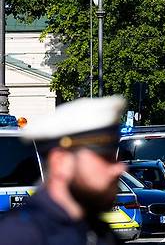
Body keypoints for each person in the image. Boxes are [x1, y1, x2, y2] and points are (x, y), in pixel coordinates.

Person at [0, 96, 127, 245]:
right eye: (105, 157)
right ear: (60, 162)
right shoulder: (18, 235)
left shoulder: (101, 233)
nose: (120, 168)